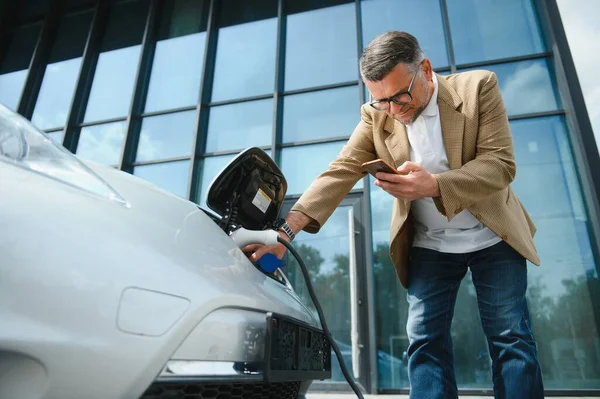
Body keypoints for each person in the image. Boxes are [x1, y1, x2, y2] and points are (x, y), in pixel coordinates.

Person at [244, 31, 544, 398]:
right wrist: (285, 232)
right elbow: (340, 171)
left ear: (427, 70)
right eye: (381, 100)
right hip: (430, 246)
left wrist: (434, 185)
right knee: (424, 343)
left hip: (494, 236)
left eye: (401, 95)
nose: (394, 109)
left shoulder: (477, 88)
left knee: (510, 339)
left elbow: (500, 165)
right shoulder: (377, 115)